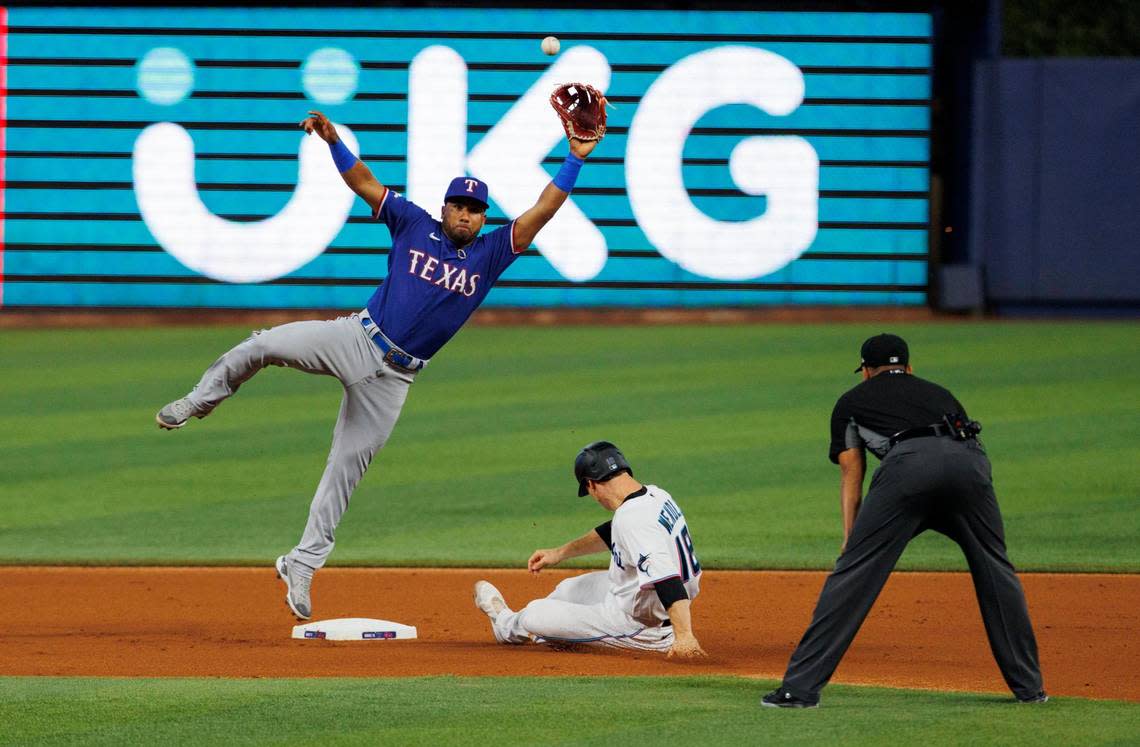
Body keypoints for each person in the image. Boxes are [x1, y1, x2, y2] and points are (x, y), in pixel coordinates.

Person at [155, 109, 599, 620]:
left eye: (476, 209)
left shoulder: (494, 251)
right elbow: (364, 181)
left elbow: (543, 209)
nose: (466, 215)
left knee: (344, 471)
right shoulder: (412, 222)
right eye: (459, 205)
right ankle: (199, 400)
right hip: (355, 337)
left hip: (395, 380)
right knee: (264, 344)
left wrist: (573, 159)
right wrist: (332, 140)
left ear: (483, 218)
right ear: (445, 208)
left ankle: (301, 563)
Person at [762, 334, 1046, 708]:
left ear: (865, 371)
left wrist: (852, 538)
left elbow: (852, 471)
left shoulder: (851, 401)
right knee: (995, 569)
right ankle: (1030, 689)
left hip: (908, 472)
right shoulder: (941, 393)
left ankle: (798, 690)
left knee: (854, 577)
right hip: (970, 466)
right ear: (909, 367)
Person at [473, 441, 706, 658]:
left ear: (591, 484)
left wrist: (685, 637)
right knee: (568, 589)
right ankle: (537, 629)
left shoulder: (633, 520)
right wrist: (559, 553)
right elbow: (613, 531)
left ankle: (509, 626)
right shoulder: (655, 495)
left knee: (535, 613)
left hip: (644, 627)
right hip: (636, 599)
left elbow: (667, 580)